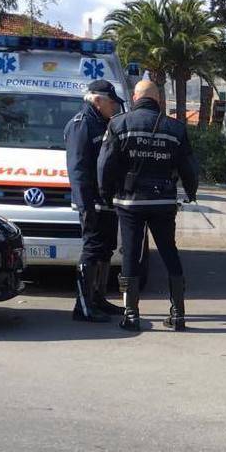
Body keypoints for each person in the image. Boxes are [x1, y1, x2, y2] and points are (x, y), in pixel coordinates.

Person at [98, 80, 198, 331]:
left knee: (130, 254)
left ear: (134, 98)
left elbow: (105, 164)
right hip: (163, 201)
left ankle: (131, 315)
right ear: (159, 101)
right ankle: (178, 314)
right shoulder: (175, 128)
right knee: (169, 252)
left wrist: (104, 193)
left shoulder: (119, 124)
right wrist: (191, 192)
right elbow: (189, 166)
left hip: (129, 201)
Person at [64, 80, 125, 323]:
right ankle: (83, 305)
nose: (115, 108)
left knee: (105, 250)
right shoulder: (82, 125)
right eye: (112, 103)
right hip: (92, 202)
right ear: (97, 100)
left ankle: (97, 298)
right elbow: (77, 168)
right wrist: (84, 204)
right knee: (91, 251)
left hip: (107, 200)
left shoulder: (103, 123)